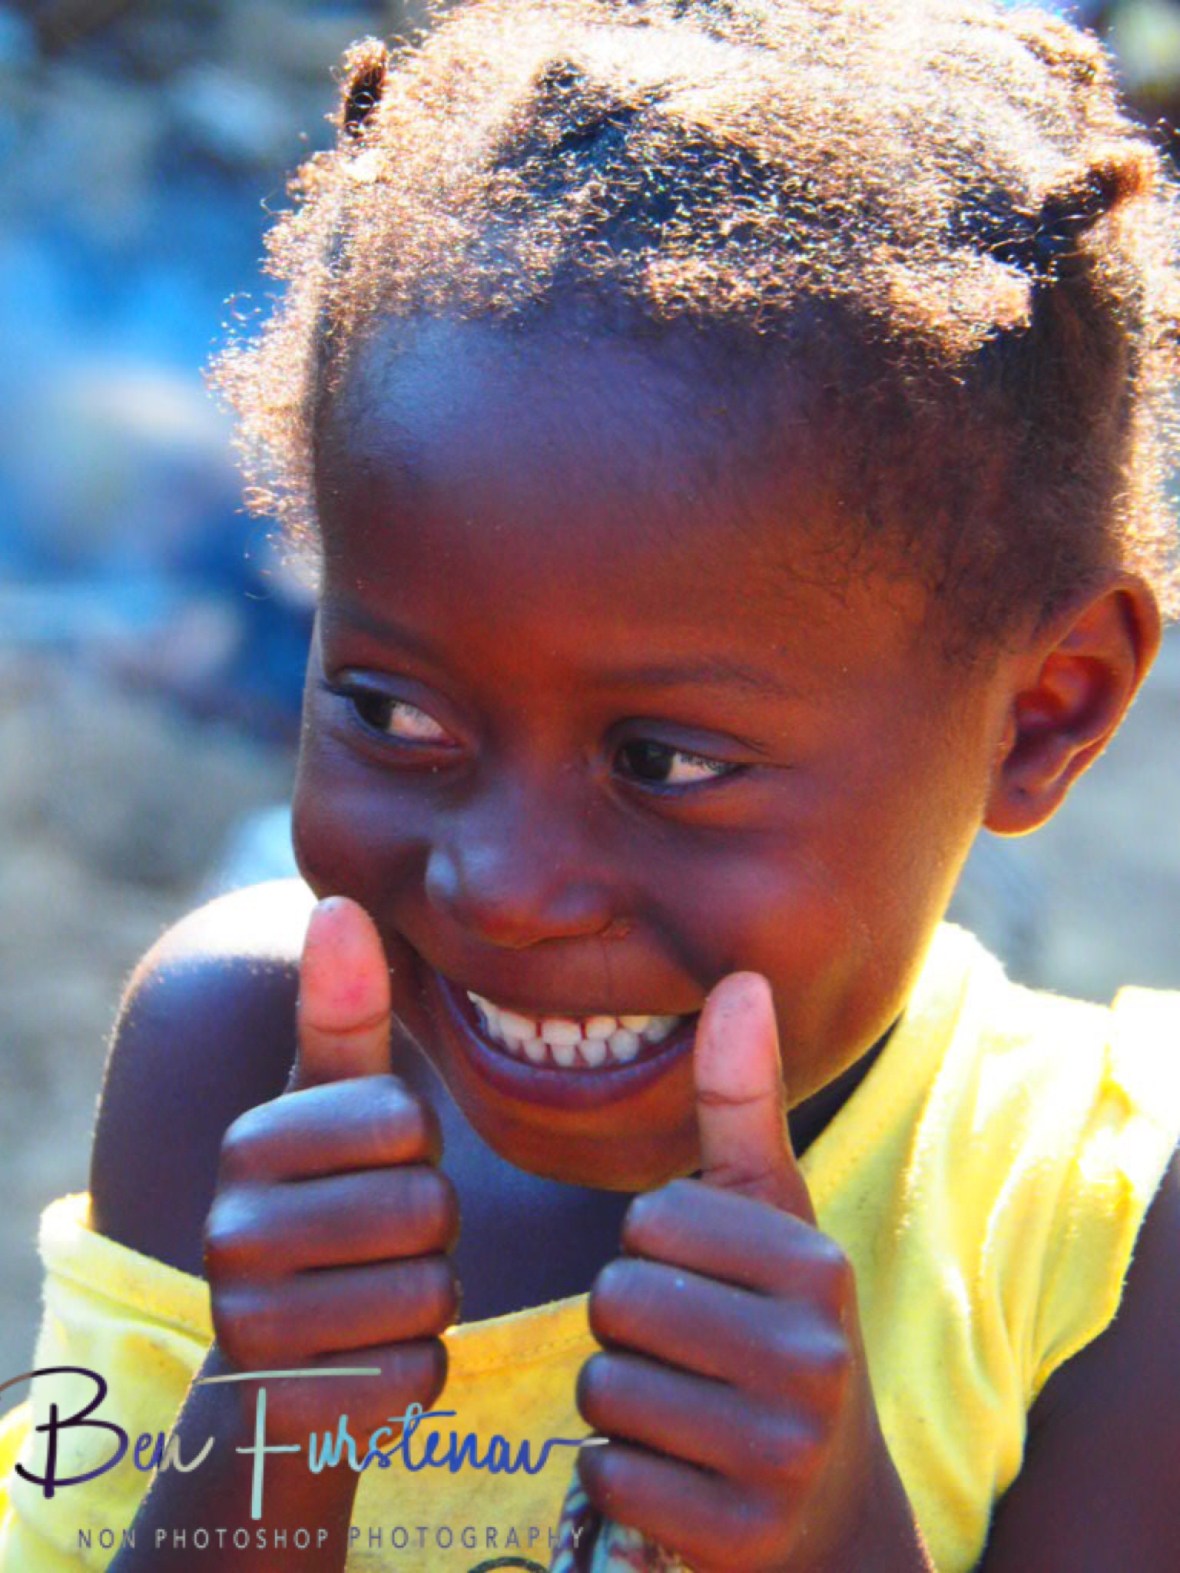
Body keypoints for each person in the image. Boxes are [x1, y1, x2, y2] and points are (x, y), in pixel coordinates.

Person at [3, 0, 1180, 1567]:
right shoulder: (240, 1070)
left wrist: (836, 1536)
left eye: (664, 761)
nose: (501, 881)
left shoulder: (1101, 1224)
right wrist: (269, 1427)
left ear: (1046, 711)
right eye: (392, 709)